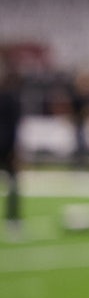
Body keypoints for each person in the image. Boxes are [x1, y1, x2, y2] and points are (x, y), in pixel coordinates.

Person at [0, 62, 22, 241]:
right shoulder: (13, 100)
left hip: (6, 146)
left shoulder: (10, 99)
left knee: (13, 184)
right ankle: (13, 219)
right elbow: (15, 128)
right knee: (13, 184)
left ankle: (13, 219)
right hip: (7, 147)